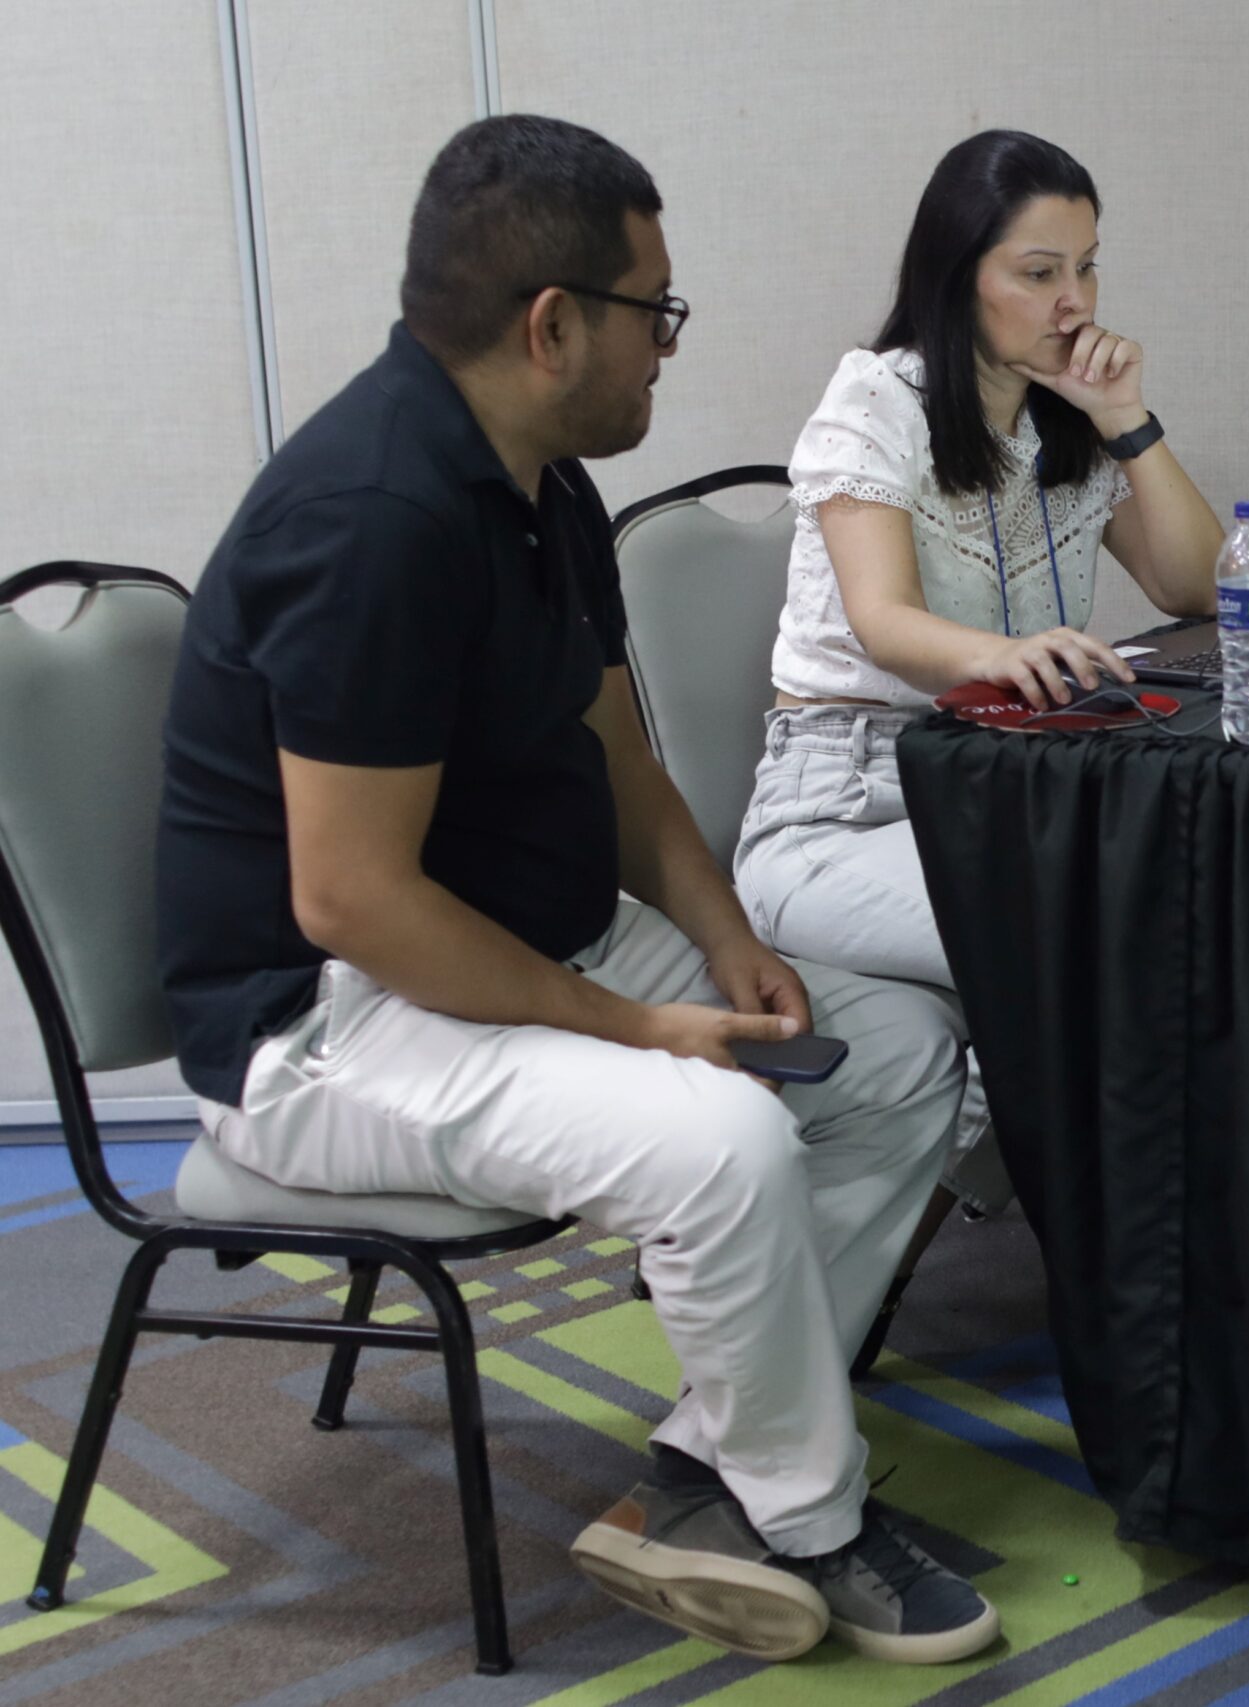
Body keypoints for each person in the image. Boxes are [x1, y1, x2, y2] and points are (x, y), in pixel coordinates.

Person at [157, 115, 1001, 1666]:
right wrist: (629, 1023)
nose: (669, 349)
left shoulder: (542, 485)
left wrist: (730, 943)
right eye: (655, 312)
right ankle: (806, 1514)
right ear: (553, 327)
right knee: (724, 1132)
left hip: (505, 942)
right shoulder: (374, 525)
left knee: (888, 1058)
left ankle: (708, 1466)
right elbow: (349, 900)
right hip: (319, 1017)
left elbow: (621, 758)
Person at [734, 128, 1222, 1312]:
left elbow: (1197, 586)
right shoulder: (877, 399)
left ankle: (1131, 1268)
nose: (1073, 303)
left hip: (996, 803)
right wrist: (1003, 655)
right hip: (838, 813)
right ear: (961, 279)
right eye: (1038, 272)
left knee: (1160, 921)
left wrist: (1127, 418)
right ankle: (1144, 1283)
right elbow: (884, 618)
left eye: (1089, 269)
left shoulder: (1059, 423)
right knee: (1100, 950)